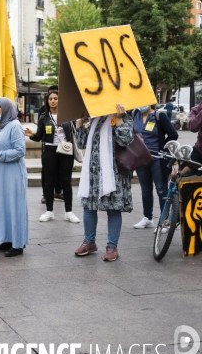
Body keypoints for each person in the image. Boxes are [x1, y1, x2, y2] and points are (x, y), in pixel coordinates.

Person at [74, 104, 134, 262]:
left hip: (113, 173)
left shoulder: (124, 116)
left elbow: (126, 140)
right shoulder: (95, 118)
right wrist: (80, 122)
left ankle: (112, 246)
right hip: (93, 172)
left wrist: (119, 119)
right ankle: (89, 242)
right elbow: (81, 144)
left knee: (114, 209)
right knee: (89, 207)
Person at [25, 90, 80, 224]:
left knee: (66, 181)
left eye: (56, 98)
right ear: (47, 101)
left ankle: (69, 212)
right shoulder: (44, 117)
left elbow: (75, 131)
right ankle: (49, 211)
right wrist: (32, 135)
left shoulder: (67, 116)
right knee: (49, 181)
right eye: (51, 99)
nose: (53, 101)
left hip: (66, 151)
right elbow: (39, 137)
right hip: (49, 151)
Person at [0, 97, 28, 257]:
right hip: (2, 174)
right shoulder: (1, 126)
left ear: (4, 109)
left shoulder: (15, 126)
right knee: (4, 206)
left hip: (13, 174)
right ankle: (7, 239)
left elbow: (20, 151)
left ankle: (18, 244)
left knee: (14, 207)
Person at [132, 105, 178, 230]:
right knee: (145, 190)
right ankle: (147, 218)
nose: (141, 104)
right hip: (141, 158)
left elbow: (173, 134)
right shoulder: (135, 114)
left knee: (161, 189)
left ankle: (165, 221)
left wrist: (162, 148)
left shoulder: (159, 115)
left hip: (157, 158)